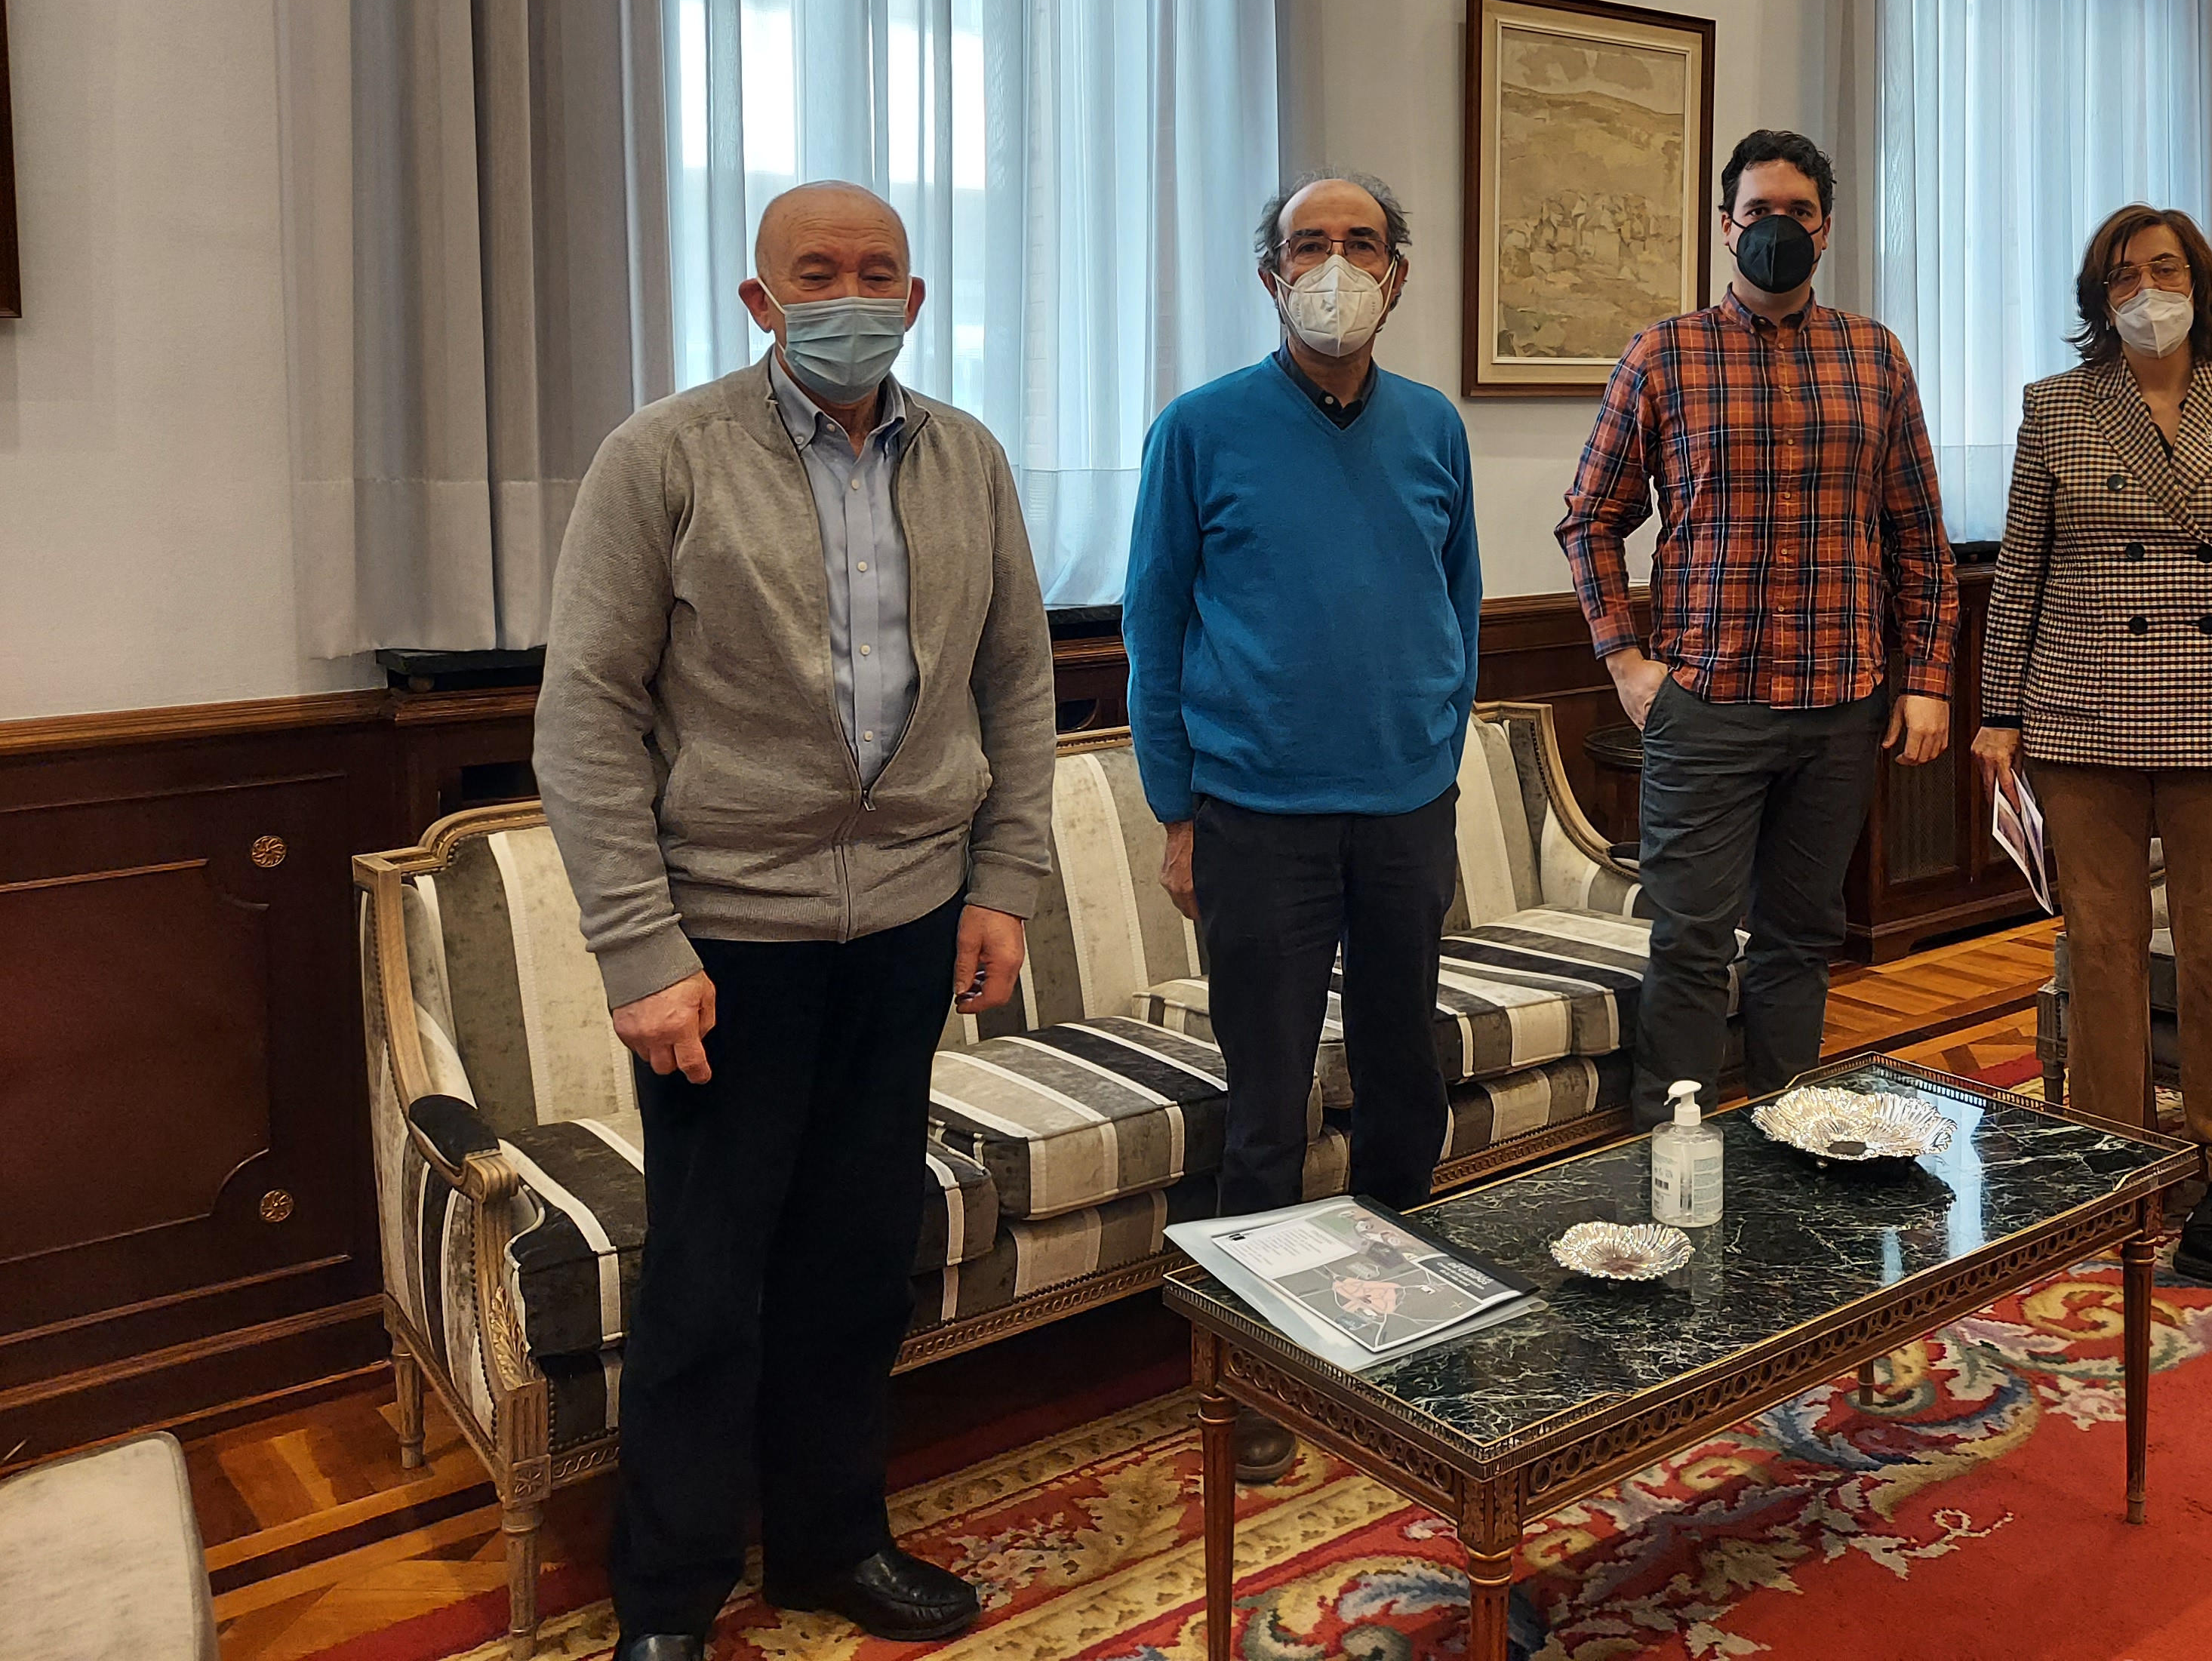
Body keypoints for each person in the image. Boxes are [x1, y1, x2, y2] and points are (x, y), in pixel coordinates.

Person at [533, 182, 1056, 1660]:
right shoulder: (663, 456)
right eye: (814, 274)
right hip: (726, 951)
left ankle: (833, 1545)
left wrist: (1004, 881)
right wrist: (640, 948)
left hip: (907, 930)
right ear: (759, 302)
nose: (850, 296)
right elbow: (585, 711)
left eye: (877, 272)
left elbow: (1016, 679)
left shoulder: (968, 459)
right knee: (707, 1283)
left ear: (916, 298)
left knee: (856, 1259)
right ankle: (668, 1599)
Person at [1122, 171, 1481, 1479]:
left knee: (1403, 1084)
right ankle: (1257, 1373)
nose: (1336, 266)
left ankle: (1399, 1330)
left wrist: (1434, 750)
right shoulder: (1199, 429)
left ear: (1398, 273)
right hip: (1255, 821)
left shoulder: (1432, 427)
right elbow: (1154, 624)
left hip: (1405, 812)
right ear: (1271, 275)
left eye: (1362, 244)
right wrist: (1177, 812)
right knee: (1269, 1106)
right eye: (1308, 244)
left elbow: (1460, 605)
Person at [1968, 204, 2212, 1290]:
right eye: (2122, 277)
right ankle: (2107, 1161)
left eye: (2164, 269)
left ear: (2200, 280)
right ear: (2100, 298)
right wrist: (1999, 709)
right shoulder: (2055, 406)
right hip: (2084, 708)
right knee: (2101, 950)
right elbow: (2022, 569)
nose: (2146, 292)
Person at [1558, 128, 1957, 1125]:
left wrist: (1926, 680)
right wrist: (1624, 662)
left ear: (1825, 227)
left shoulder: (1875, 356)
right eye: (1758, 211)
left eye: (1798, 212)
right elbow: (1590, 518)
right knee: (1690, 945)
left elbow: (1918, 534)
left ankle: (1789, 1144)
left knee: (1801, 941)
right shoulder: (1664, 353)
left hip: (1841, 704)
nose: (1777, 227)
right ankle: (1672, 1159)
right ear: (1726, 225)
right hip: (1707, 703)